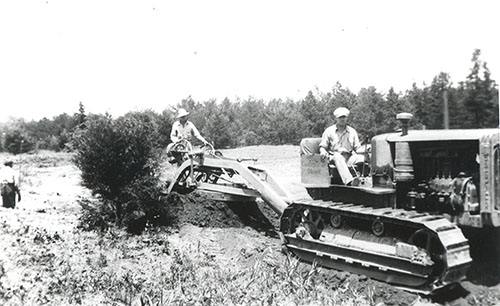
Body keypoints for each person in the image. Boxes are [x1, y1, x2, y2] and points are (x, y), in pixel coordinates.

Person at [319, 107, 362, 186]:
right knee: (338, 157)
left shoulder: (352, 131)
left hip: (349, 157)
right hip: (334, 157)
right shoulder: (329, 131)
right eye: (340, 117)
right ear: (336, 118)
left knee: (362, 158)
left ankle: (368, 180)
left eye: (344, 117)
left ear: (347, 118)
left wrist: (366, 151)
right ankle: (349, 181)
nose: (342, 119)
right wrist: (323, 152)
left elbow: (357, 148)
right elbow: (323, 146)